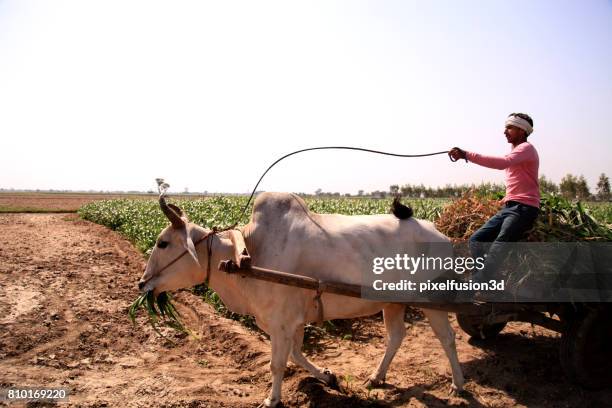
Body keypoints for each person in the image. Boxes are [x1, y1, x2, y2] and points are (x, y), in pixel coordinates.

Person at [449, 113, 540, 284]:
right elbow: (516, 181)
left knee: (500, 245)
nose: (505, 132)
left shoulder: (526, 149)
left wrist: (466, 154)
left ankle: (477, 282)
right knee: (476, 240)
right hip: (510, 207)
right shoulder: (517, 152)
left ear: (522, 130)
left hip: (524, 208)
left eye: (509, 128)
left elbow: (501, 163)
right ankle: (486, 280)